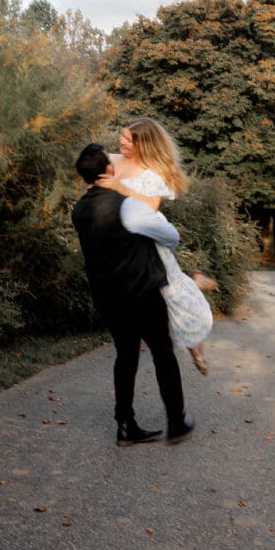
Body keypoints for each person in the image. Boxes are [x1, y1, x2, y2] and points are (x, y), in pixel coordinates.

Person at [72, 143, 194, 446]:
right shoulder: (128, 204)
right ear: (109, 170)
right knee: (162, 353)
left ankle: (125, 426)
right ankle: (176, 422)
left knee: (125, 355)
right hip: (141, 289)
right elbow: (171, 236)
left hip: (107, 295)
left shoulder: (79, 210)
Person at [96, 117, 216, 375]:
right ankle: (197, 281)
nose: (122, 141)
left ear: (144, 143)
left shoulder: (153, 173)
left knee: (170, 292)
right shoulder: (112, 160)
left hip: (147, 241)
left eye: (128, 139)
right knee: (151, 294)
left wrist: (118, 186)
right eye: (122, 136)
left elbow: (149, 208)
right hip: (118, 242)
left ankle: (196, 345)